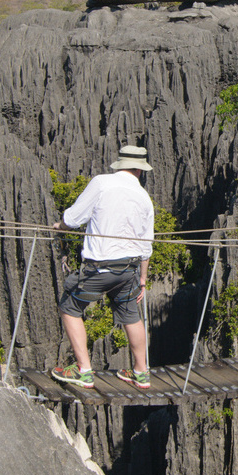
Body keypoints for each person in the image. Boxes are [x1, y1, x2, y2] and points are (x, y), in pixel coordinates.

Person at [50, 144, 154, 390]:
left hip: (99, 270)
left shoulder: (101, 183)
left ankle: (84, 370)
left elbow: (74, 219)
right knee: (131, 315)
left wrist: (60, 227)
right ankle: (141, 372)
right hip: (128, 272)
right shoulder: (144, 198)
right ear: (139, 171)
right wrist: (142, 279)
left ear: (120, 165)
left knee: (69, 306)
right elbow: (146, 245)